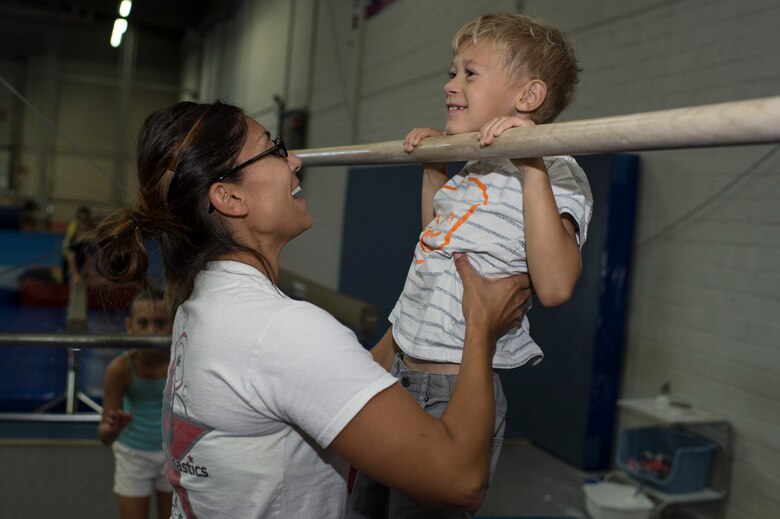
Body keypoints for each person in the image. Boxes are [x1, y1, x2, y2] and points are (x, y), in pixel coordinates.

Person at [87, 100, 533, 518]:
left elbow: (339, 382)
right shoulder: (278, 331)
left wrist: (423, 294)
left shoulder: (204, 305)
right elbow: (459, 479)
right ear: (230, 198)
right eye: (273, 150)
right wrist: (481, 328)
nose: (295, 160)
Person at [350, 12, 594, 518]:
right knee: (361, 507)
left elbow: (554, 286)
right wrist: (435, 167)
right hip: (396, 373)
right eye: (452, 71)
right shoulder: (475, 167)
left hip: (452, 387)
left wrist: (532, 163)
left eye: (469, 73)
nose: (450, 84)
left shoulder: (559, 170)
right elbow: (435, 242)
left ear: (527, 98)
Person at [98, 291, 173, 519]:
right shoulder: (121, 369)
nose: (152, 331)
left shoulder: (182, 364)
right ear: (130, 326)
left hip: (173, 454)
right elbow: (104, 436)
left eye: (160, 323)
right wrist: (112, 428)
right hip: (133, 454)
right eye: (143, 323)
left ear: (174, 325)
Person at [61, 205, 94, 285]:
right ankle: (67, 281)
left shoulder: (90, 231)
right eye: (81, 219)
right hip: (68, 251)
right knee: (69, 274)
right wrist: (75, 275)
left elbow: (89, 256)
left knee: (81, 272)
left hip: (81, 253)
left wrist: (81, 274)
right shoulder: (73, 227)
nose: (83, 223)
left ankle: (78, 276)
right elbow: (70, 253)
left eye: (85, 220)